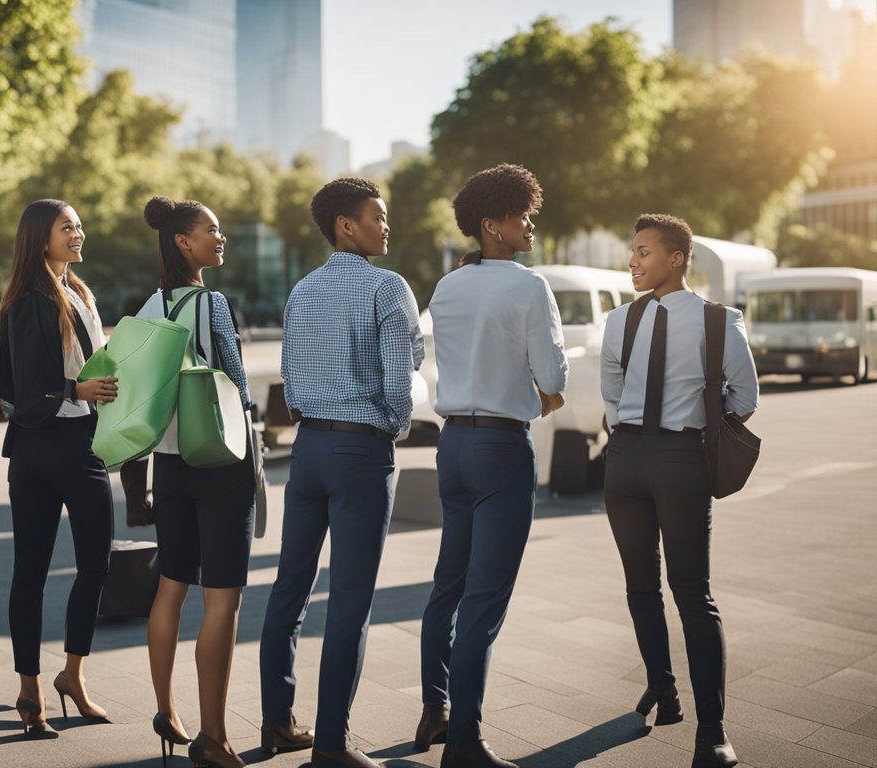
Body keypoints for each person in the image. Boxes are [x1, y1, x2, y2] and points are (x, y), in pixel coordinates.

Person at [258, 177, 424, 768]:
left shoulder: (301, 291)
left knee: (289, 590)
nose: (387, 226)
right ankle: (330, 746)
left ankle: (277, 722)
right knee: (350, 602)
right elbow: (399, 381)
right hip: (360, 453)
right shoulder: (387, 287)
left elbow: (289, 378)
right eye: (377, 216)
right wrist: (393, 426)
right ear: (346, 225)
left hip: (307, 453)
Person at [420, 163, 567, 768]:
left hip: (452, 446)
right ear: (492, 224)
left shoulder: (447, 287)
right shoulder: (529, 286)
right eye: (521, 213)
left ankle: (435, 709)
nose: (530, 221)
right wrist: (536, 400)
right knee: (485, 600)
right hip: (504, 447)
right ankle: (465, 743)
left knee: (447, 586)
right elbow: (554, 378)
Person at [600, 214, 757, 768]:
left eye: (644, 251)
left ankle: (712, 732)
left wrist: (693, 422)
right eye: (632, 251)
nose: (633, 261)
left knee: (692, 593)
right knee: (640, 586)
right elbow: (612, 392)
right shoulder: (618, 320)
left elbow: (745, 396)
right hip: (624, 464)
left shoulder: (719, 322)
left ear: (676, 258)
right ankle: (662, 687)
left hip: (681, 458)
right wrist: (630, 436)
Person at [0, 199, 118, 736]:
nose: (78, 233)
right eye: (68, 227)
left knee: (95, 565)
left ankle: (72, 674)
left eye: (80, 226)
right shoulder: (29, 298)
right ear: (41, 238)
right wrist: (75, 389)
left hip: (82, 441)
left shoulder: (78, 293)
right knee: (31, 573)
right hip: (43, 448)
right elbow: (18, 387)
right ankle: (29, 688)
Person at [137, 196, 256, 768]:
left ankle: (167, 708)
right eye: (213, 229)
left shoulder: (150, 303)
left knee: (171, 587)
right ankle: (214, 737)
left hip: (170, 462)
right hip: (219, 459)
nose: (221, 237)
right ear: (183, 241)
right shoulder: (211, 302)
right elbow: (233, 385)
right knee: (223, 600)